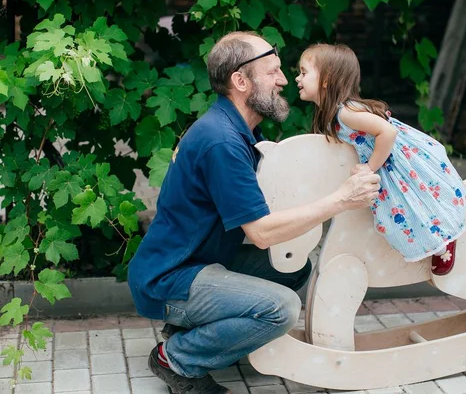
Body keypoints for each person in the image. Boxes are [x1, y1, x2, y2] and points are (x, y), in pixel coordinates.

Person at [127, 32, 381, 394]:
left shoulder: (234, 129)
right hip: (170, 278)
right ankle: (179, 357)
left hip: (200, 261)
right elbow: (260, 232)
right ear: (241, 81)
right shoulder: (222, 141)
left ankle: (194, 331)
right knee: (281, 308)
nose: (282, 81)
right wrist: (341, 199)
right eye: (273, 72)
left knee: (293, 268)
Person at [295, 43, 466, 276]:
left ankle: (442, 240)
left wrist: (370, 167)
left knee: (409, 204)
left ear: (326, 79)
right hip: (385, 161)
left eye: (304, 72)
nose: (297, 78)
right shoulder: (333, 113)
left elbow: (388, 132)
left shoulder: (346, 112)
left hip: (397, 161)